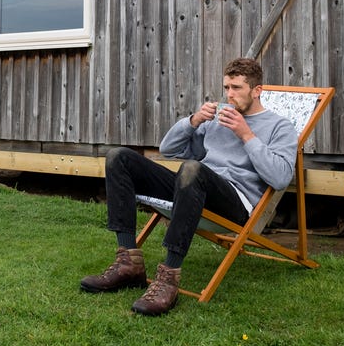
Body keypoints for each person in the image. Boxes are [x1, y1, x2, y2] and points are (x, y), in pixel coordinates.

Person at [79, 57, 297, 315]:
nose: (229, 94)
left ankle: (168, 279)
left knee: (193, 169)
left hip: (235, 202)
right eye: (226, 87)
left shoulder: (280, 126)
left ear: (257, 90)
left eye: (237, 88)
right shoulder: (219, 120)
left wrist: (246, 134)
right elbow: (168, 150)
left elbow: (282, 177)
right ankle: (128, 263)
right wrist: (193, 121)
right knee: (119, 157)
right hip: (193, 189)